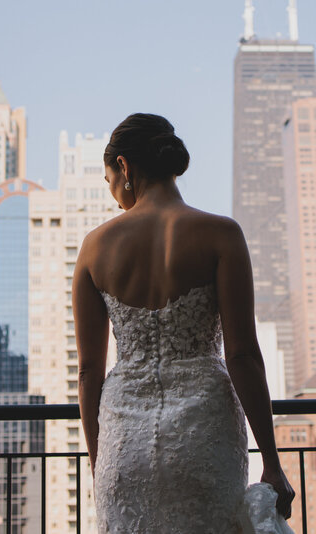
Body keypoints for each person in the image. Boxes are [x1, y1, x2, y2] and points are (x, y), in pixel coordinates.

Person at [72, 113, 296, 532]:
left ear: (125, 168)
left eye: (109, 183)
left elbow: (88, 373)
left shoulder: (93, 248)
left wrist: (99, 462)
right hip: (204, 434)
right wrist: (271, 460)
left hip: (124, 444)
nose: (114, 198)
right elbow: (243, 355)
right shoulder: (221, 234)